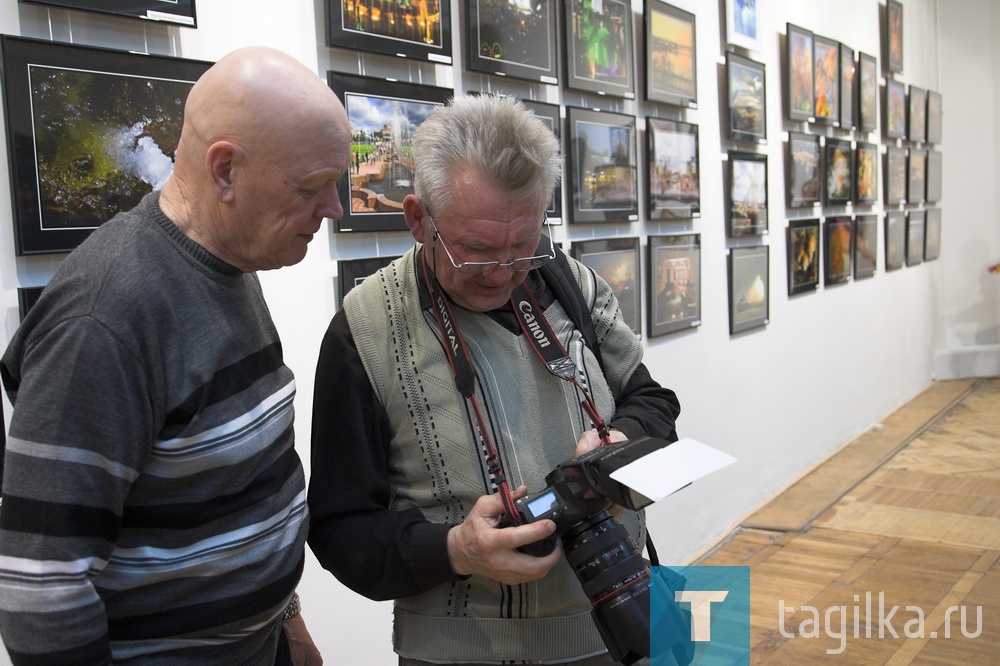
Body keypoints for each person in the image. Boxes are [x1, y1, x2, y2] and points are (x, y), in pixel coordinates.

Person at [0, 45, 349, 665]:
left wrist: (285, 622)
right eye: (311, 188)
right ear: (224, 172)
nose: (334, 210)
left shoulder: (231, 262)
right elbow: (41, 589)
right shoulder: (105, 316)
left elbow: (243, 481)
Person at [308, 94, 681, 665]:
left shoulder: (568, 282)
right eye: (477, 252)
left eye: (523, 244)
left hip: (628, 617)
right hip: (463, 653)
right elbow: (339, 531)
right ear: (417, 220)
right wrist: (455, 549)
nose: (505, 273)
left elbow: (652, 402)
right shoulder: (365, 331)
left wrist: (619, 446)